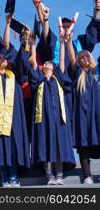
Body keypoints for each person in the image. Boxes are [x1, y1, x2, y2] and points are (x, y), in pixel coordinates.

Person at [19, 29, 76, 185]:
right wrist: (32, 44)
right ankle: (49, 176)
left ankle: (59, 175)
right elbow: (32, 61)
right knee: (46, 145)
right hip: (43, 119)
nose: (48, 63)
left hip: (59, 119)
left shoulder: (59, 78)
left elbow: (62, 60)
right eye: (45, 63)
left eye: (50, 62)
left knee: (59, 145)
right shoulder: (38, 78)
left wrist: (64, 42)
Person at [0, 45, 30, 187]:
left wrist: (25, 43)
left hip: (14, 119)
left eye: (5, 58)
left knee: (14, 148)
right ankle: (4, 178)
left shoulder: (13, 77)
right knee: (1, 148)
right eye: (0, 58)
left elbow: (23, 62)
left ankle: (14, 176)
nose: (3, 59)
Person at [67, 31, 100, 184]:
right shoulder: (78, 73)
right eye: (83, 57)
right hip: (82, 115)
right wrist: (67, 42)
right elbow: (72, 59)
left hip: (97, 114)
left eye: (87, 56)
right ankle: (87, 175)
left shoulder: (96, 72)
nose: (86, 58)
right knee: (84, 144)